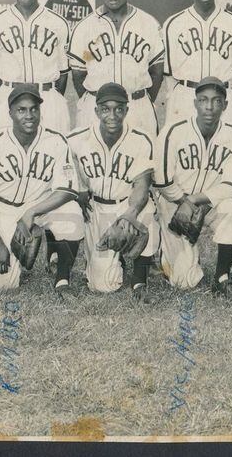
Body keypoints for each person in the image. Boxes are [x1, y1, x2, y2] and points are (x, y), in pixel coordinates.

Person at [0, 85, 85, 292]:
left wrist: (30, 213)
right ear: (10, 114)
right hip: (3, 209)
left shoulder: (56, 140)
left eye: (34, 109)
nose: (29, 115)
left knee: (73, 215)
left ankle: (62, 279)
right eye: (21, 110)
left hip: (40, 205)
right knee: (3, 285)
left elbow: (68, 190)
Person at [153, 77, 232, 300]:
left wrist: (196, 201)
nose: (209, 106)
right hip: (175, 203)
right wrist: (183, 202)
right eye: (204, 100)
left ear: (225, 106)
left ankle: (222, 279)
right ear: (195, 103)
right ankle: (167, 253)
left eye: (216, 101)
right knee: (183, 281)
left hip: (208, 202)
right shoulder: (173, 130)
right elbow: (162, 180)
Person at [67, 83, 160, 300]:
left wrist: (129, 214)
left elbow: (142, 184)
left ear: (127, 110)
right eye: (106, 109)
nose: (113, 115)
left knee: (146, 211)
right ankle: (114, 259)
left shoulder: (141, 139)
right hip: (96, 207)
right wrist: (79, 190)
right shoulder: (76, 138)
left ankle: (139, 280)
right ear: (97, 111)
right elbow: (67, 167)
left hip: (126, 204)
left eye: (119, 109)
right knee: (103, 286)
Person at [68, 0, 164, 138]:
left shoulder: (148, 23)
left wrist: (139, 98)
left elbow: (157, 71)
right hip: (97, 108)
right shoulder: (85, 27)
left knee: (142, 162)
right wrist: (97, 99)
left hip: (136, 106)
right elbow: (79, 73)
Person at [0, 0, 71, 134]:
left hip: (46, 97)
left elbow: (63, 74)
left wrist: (49, 95)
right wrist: (4, 97)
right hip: (10, 96)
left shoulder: (57, 22)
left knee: (52, 153)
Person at [161, 0, 232, 127]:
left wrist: (226, 94)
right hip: (187, 95)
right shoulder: (173, 23)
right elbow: (169, 75)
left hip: (221, 95)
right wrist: (179, 97)